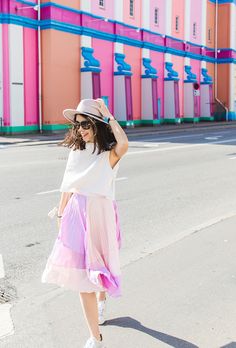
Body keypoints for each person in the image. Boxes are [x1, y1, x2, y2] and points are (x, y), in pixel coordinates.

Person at [41, 98, 129, 348]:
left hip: (100, 214)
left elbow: (123, 143)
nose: (81, 128)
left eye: (86, 123)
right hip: (76, 214)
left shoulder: (109, 154)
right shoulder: (76, 152)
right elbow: (67, 186)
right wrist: (60, 217)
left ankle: (102, 301)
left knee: (99, 268)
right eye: (78, 124)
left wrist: (109, 114)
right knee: (82, 277)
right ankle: (95, 336)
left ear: (98, 125)